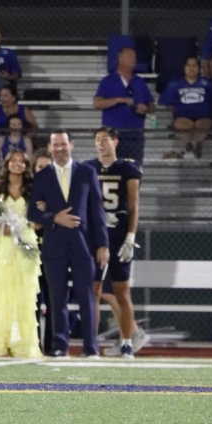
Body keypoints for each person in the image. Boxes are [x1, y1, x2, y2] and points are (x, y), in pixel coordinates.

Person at [28, 131, 109, 358]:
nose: (60, 149)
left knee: (87, 297)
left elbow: (97, 211)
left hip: (84, 245)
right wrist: (54, 218)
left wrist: (103, 245)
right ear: (50, 147)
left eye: (63, 144)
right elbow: (32, 212)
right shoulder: (42, 176)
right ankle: (60, 346)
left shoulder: (87, 172)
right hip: (54, 246)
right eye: (56, 145)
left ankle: (91, 348)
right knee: (57, 298)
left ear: (71, 145)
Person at [86, 127, 144, 359]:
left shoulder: (127, 168)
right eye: (97, 140)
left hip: (118, 233)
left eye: (105, 139)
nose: (101, 144)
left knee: (122, 291)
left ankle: (127, 342)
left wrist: (131, 235)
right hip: (95, 234)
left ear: (115, 141)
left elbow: (133, 206)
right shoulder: (88, 167)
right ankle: (92, 344)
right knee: (94, 291)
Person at [0, 150, 42, 358]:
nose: (17, 164)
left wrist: (21, 226)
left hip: (25, 244)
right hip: (1, 248)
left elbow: (39, 221)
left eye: (21, 161)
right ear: (6, 164)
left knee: (23, 294)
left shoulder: (34, 188)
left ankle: (22, 344)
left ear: (26, 165)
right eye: (13, 161)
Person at [92, 44, 155, 165]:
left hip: (135, 136)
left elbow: (152, 106)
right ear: (120, 59)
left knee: (133, 171)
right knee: (111, 171)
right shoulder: (108, 81)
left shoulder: (139, 82)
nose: (134, 60)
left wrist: (145, 108)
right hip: (113, 135)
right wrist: (118, 100)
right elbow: (97, 104)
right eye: (130, 56)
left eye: (135, 57)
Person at [159, 55, 212, 160]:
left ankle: (195, 145)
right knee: (186, 125)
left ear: (199, 68)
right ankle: (190, 145)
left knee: (202, 125)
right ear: (184, 67)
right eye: (189, 65)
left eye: (194, 65)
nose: (191, 68)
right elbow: (164, 102)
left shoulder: (207, 84)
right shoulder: (175, 84)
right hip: (183, 116)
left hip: (203, 116)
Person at [32, 151, 54, 355]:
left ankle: (53, 345)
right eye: (40, 167)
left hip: (54, 253)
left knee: (55, 301)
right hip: (29, 255)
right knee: (33, 303)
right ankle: (33, 344)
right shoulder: (28, 192)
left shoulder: (61, 193)